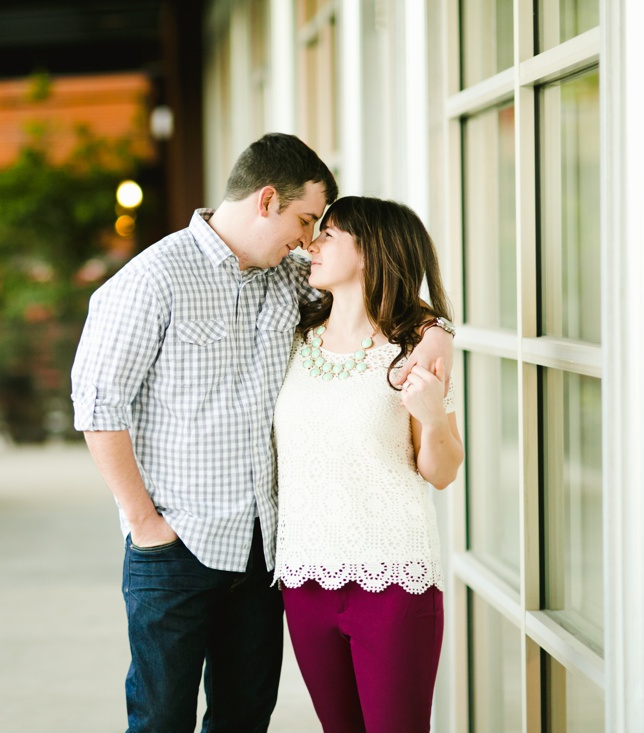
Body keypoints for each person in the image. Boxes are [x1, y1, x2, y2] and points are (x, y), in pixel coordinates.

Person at [70, 133, 454, 733]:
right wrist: (145, 524)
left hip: (264, 554)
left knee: (245, 717)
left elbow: (383, 294)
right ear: (267, 201)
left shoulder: (293, 279)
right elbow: (97, 408)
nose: (307, 241)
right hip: (177, 545)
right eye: (304, 221)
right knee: (161, 718)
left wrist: (436, 336)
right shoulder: (152, 280)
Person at [272, 196, 465, 733]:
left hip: (394, 582)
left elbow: (443, 471)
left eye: (329, 234)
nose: (312, 244)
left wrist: (432, 417)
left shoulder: (418, 347)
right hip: (305, 577)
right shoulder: (293, 338)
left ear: (372, 249)